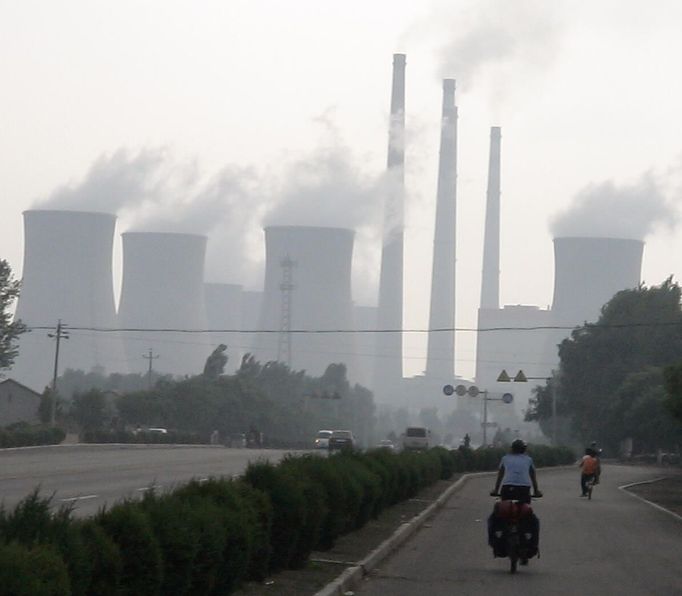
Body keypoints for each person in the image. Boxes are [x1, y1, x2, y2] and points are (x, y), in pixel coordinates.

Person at [488, 439, 542, 562]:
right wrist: (537, 491)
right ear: (524, 449)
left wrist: (496, 490)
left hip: (507, 489)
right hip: (524, 490)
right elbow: (532, 476)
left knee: (496, 517)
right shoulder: (528, 460)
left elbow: (500, 475)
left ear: (511, 448)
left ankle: (496, 543)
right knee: (529, 518)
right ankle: (530, 546)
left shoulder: (505, 458)